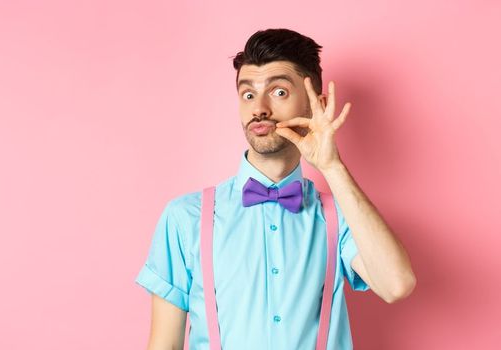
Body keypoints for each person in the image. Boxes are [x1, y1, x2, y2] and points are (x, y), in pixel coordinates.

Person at [135, 28, 416, 349]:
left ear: (317, 106)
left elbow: (396, 285)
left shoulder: (340, 215)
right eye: (248, 94)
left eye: (279, 92)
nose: (259, 108)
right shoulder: (185, 217)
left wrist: (331, 166)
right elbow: (164, 345)